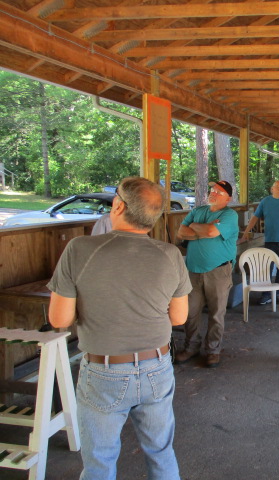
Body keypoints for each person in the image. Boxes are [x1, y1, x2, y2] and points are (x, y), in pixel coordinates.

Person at [47, 177, 191, 479]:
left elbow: (59, 320)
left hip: (104, 369)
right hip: (157, 366)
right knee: (161, 453)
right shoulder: (170, 255)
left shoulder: (79, 249)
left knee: (100, 461)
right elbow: (178, 318)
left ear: (118, 205)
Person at [175, 180, 239, 368]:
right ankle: (191, 346)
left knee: (216, 313)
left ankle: (213, 350)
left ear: (228, 198)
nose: (213, 193)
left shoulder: (230, 215)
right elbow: (180, 232)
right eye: (212, 189)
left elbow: (211, 231)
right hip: (193, 270)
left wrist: (195, 227)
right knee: (191, 312)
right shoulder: (198, 211)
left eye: (219, 192)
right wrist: (200, 228)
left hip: (218, 271)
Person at [240, 180, 279, 305]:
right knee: (266, 268)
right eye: (277, 187)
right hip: (270, 240)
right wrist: (246, 232)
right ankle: (266, 294)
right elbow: (255, 217)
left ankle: (278, 294)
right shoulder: (265, 202)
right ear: (272, 189)